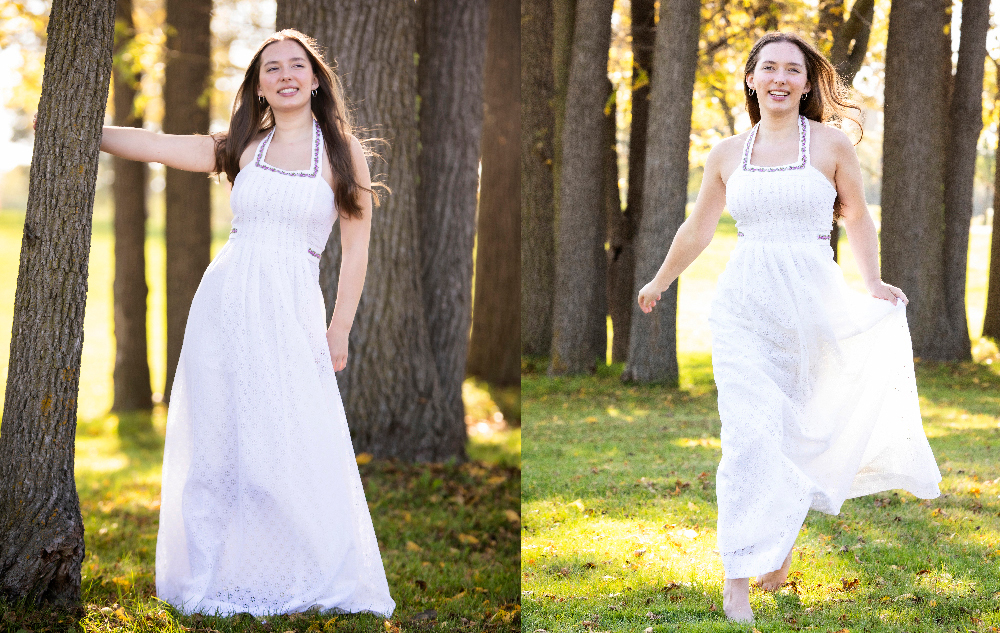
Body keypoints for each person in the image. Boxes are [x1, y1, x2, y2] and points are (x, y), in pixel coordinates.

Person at [636, 32, 941, 623]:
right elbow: (697, 227)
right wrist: (660, 280)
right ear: (751, 78)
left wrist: (873, 284)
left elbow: (854, 214)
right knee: (748, 436)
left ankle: (776, 548)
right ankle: (738, 578)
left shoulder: (829, 144)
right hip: (744, 307)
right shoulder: (726, 152)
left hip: (812, 305)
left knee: (799, 432)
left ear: (807, 83)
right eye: (768, 68)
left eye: (792, 70)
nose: (779, 78)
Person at [95, 30, 395, 617]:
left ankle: (298, 572)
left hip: (293, 313)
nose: (285, 75)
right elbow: (158, 145)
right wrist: (86, 130)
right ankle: (214, 571)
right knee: (218, 443)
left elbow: (356, 250)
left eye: (296, 66)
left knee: (287, 440)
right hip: (225, 308)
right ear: (259, 86)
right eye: (272, 68)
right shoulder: (243, 146)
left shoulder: (341, 153)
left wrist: (340, 329)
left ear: (314, 79)